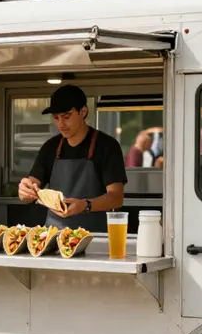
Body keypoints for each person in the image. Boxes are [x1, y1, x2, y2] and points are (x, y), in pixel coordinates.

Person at [18, 84, 127, 232]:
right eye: (56, 118)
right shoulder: (50, 147)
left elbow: (116, 197)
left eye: (66, 116)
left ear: (83, 112)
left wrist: (85, 205)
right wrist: (25, 190)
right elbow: (31, 190)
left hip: (94, 237)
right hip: (53, 236)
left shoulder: (107, 146)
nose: (61, 124)